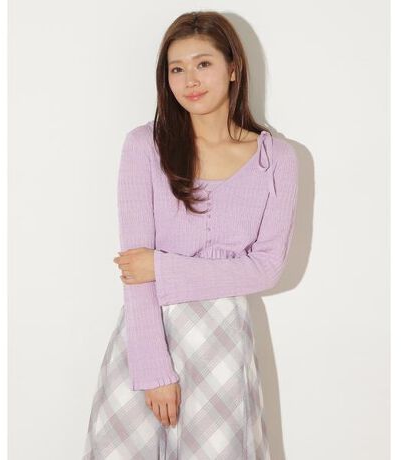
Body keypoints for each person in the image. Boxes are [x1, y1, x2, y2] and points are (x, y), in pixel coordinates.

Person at [82, 10, 298, 459]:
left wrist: (160, 267)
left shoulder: (276, 157)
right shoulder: (144, 146)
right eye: (176, 69)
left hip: (224, 341)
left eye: (203, 64)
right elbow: (134, 273)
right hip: (148, 335)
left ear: (233, 68)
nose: (189, 80)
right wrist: (152, 370)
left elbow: (266, 270)